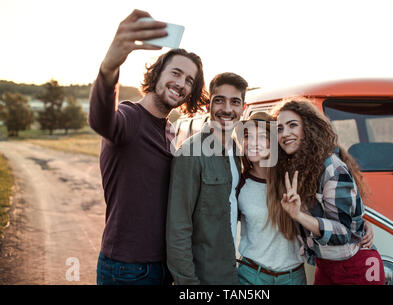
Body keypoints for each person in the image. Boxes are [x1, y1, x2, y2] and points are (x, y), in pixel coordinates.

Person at [88, 9, 208, 285]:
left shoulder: (169, 130)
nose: (181, 84)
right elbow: (102, 121)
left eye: (189, 80)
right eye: (176, 73)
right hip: (128, 269)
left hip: (163, 266)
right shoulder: (130, 118)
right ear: (157, 74)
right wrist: (108, 69)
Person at [269, 99, 384, 285]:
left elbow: (343, 233)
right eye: (280, 128)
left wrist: (298, 215)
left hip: (355, 266)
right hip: (326, 265)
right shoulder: (295, 166)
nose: (285, 133)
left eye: (292, 125)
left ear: (309, 127)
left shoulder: (331, 168)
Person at [166, 72, 248, 285]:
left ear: (243, 108)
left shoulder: (238, 153)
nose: (227, 109)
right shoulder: (190, 152)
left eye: (235, 102)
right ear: (207, 106)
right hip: (205, 277)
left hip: (233, 273)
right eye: (219, 100)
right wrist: (188, 283)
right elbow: (178, 227)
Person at [235, 112, 307, 285]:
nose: (252, 143)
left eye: (262, 137)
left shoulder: (294, 179)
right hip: (252, 276)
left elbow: (329, 210)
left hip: (293, 277)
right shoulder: (238, 184)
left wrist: (362, 224)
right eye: (247, 136)